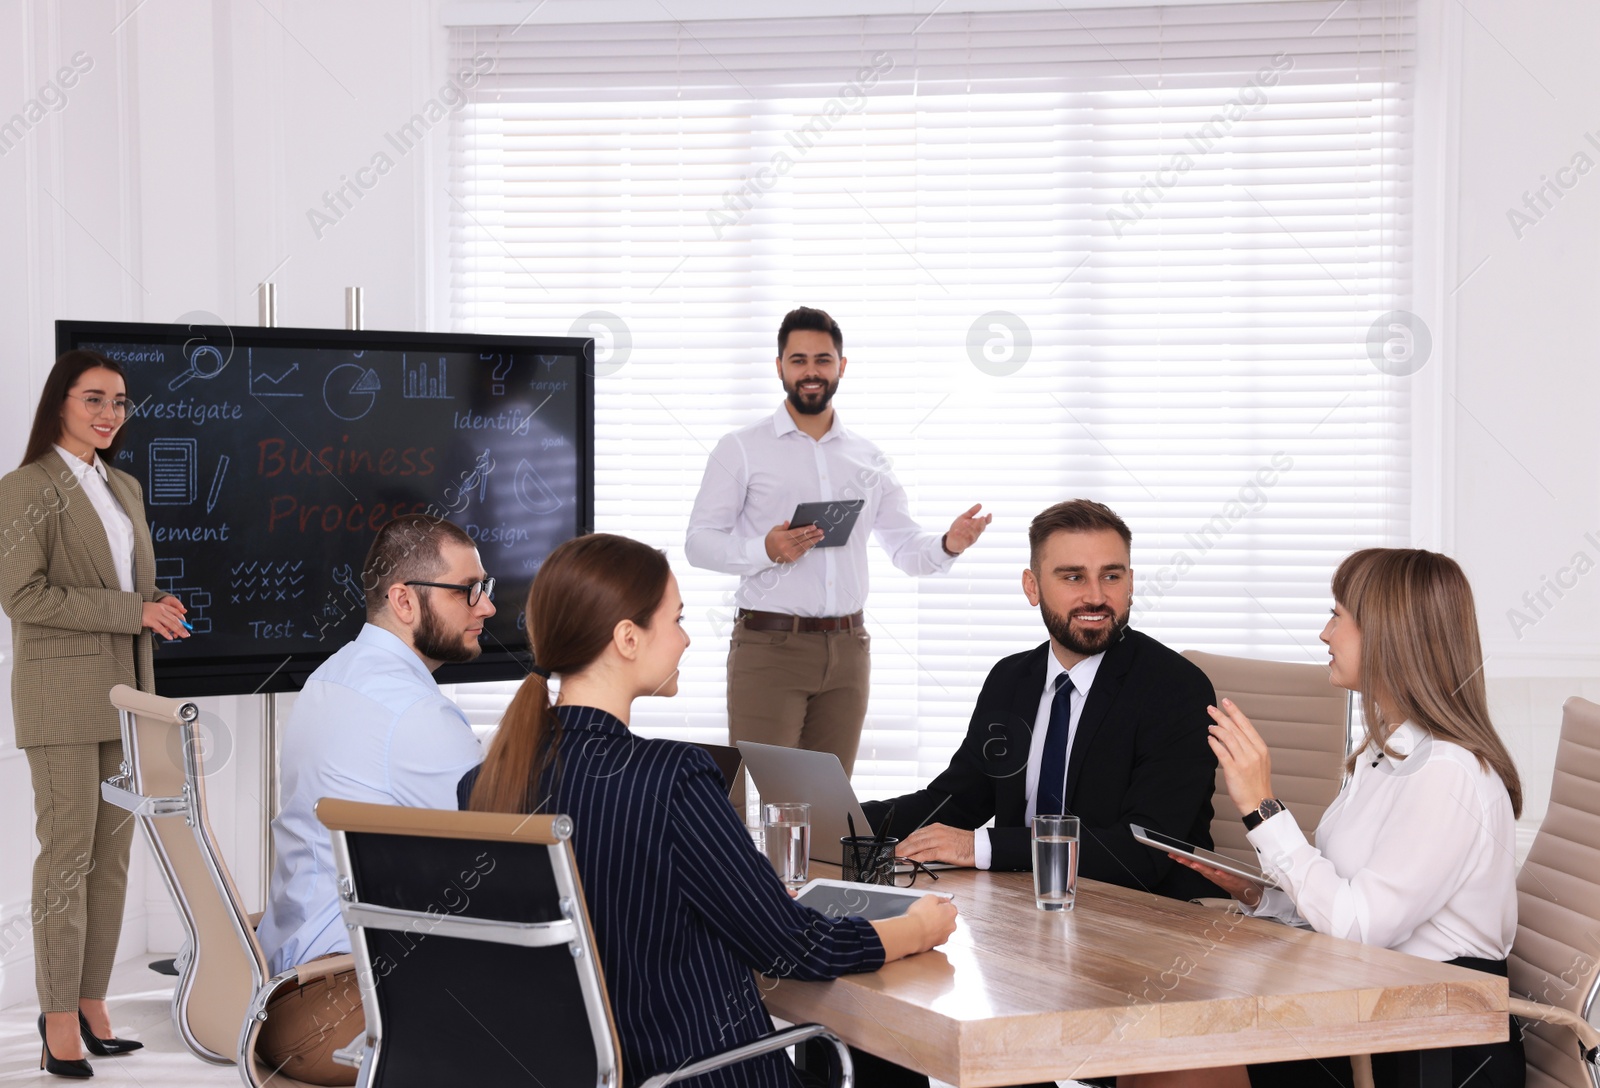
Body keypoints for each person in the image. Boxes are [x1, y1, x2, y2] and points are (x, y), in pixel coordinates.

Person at [461, 532, 959, 1088]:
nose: (687, 639)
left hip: (589, 1073)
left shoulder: (484, 784)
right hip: (701, 1075)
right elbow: (792, 948)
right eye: (675, 620)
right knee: (889, 1055)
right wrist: (914, 929)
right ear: (628, 638)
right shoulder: (672, 777)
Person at [1166, 548, 1525, 1088]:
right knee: (1166, 1050)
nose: (1324, 634)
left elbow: (1359, 928)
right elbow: (1347, 905)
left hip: (1432, 1038)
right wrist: (1261, 895)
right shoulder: (1387, 754)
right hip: (1374, 1006)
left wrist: (1263, 808)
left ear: (1388, 635)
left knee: (1181, 1058)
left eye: (1337, 616)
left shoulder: (1447, 773)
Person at [685, 306, 991, 808]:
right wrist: (764, 548)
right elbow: (699, 542)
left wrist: (947, 544)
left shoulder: (868, 458)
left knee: (828, 809)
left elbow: (904, 545)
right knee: (749, 804)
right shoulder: (741, 448)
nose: (811, 371)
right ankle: (747, 889)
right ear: (779, 366)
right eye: (799, 359)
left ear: (841, 366)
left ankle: (819, 890)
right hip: (769, 649)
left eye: (823, 359)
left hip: (849, 652)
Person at [864, 499, 1221, 901]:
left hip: (1148, 916)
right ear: (1032, 587)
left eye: (1111, 576)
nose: (1096, 597)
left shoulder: (1175, 688)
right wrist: (844, 819)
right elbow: (954, 802)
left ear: (1131, 584)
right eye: (1072, 577)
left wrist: (980, 846)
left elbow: (1145, 852)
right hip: (1022, 903)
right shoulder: (1011, 679)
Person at [254, 514, 497, 1086]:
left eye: (485, 590)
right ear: (404, 601)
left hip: (283, 993)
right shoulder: (416, 713)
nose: (485, 608)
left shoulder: (332, 675)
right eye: (469, 591)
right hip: (340, 1008)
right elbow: (510, 860)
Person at [0, 350, 190, 1077]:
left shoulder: (125, 487)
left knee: (111, 861)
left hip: (126, 696)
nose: (109, 414)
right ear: (60, 404)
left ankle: (91, 1000)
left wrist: (153, 610)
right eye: (93, 399)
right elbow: (24, 597)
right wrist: (129, 609)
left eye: (119, 402)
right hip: (61, 699)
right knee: (68, 857)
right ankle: (56, 1020)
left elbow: (120, 588)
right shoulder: (24, 488)